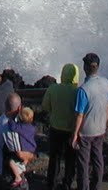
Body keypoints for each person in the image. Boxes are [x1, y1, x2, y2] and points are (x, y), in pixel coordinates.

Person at [71, 53, 108, 190]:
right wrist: (104, 123)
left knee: (83, 163)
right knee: (98, 159)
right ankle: (97, 186)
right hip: (100, 128)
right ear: (97, 67)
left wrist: (75, 134)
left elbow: (79, 115)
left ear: (85, 68)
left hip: (86, 132)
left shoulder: (83, 89)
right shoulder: (106, 83)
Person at [40, 62, 79, 190]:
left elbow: (45, 106)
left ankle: (51, 184)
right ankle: (67, 183)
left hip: (56, 128)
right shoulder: (78, 91)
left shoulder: (53, 89)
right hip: (72, 130)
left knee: (54, 157)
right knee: (70, 158)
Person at [4, 107, 37, 187]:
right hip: (32, 148)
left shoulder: (20, 127)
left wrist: (11, 118)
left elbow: (12, 126)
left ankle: (18, 177)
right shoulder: (33, 128)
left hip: (24, 149)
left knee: (11, 162)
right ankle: (24, 163)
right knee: (22, 161)